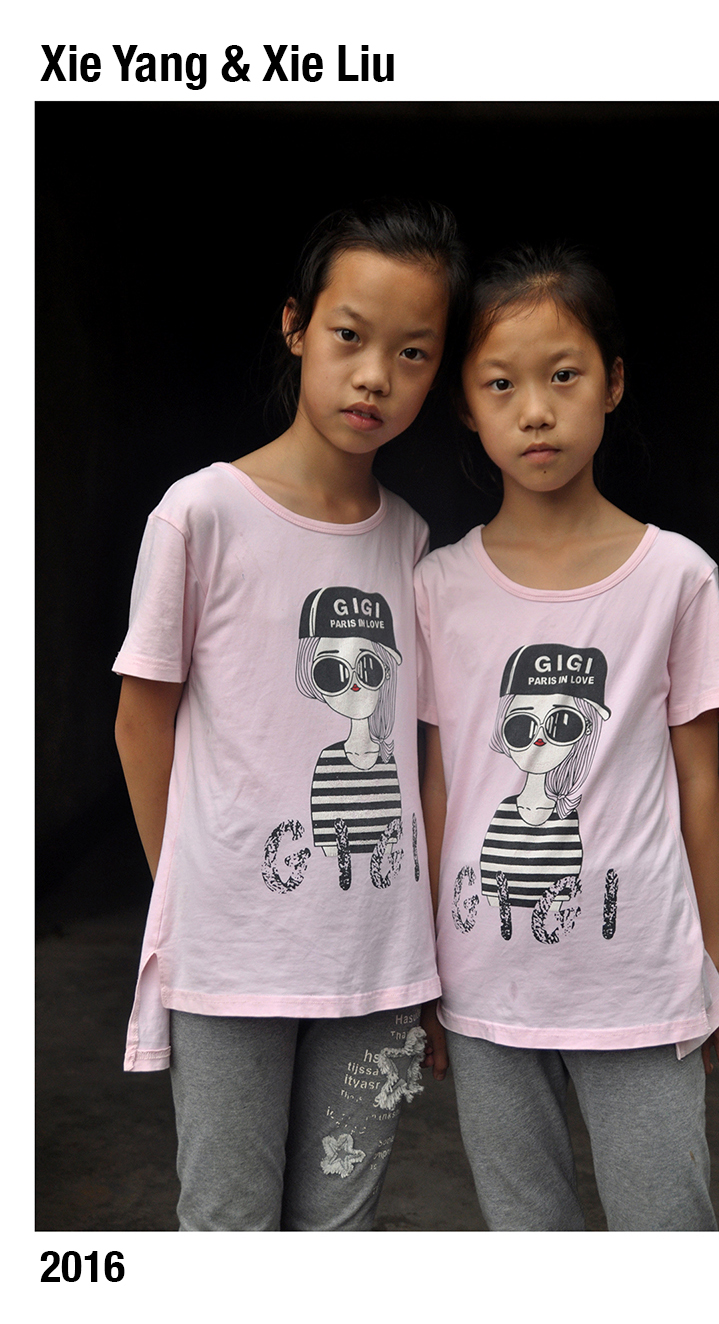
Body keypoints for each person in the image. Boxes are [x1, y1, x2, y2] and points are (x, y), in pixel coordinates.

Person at [113, 200, 465, 1229]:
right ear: (296, 326)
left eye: (412, 353)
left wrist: (434, 947)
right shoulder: (201, 513)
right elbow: (142, 722)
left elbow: (421, 750)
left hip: (376, 954)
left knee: (337, 1233)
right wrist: (193, 895)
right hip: (232, 954)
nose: (374, 377)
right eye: (350, 336)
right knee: (228, 1226)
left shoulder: (412, 542)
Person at [415, 245, 719, 1230]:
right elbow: (442, 786)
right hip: (486, 980)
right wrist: (429, 966)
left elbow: (700, 784)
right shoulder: (438, 586)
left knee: (668, 1230)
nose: (535, 408)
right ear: (467, 407)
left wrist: (708, 963)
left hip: (640, 972)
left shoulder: (675, 576)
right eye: (500, 383)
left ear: (613, 381)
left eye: (564, 375)